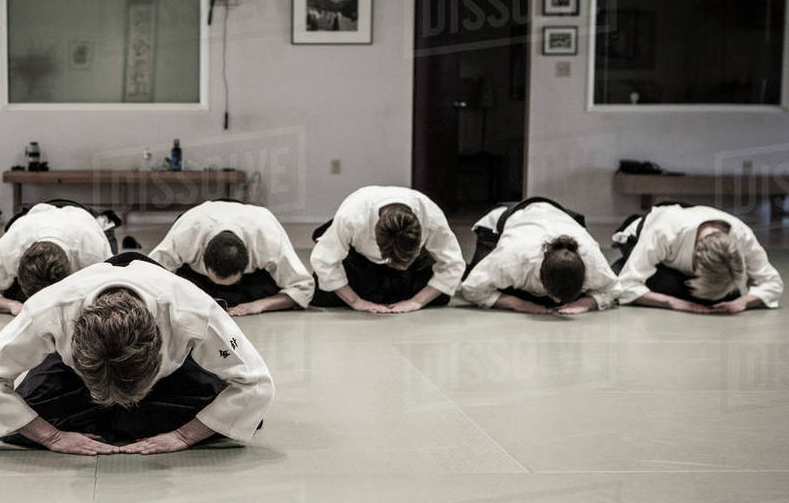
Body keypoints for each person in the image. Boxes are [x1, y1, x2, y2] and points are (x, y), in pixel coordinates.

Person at [0, 253, 274, 456]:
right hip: (76, 367)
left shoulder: (194, 313)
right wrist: (51, 437)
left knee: (247, 416)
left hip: (172, 359)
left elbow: (257, 384)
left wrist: (184, 436)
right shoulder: (47, 311)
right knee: (23, 419)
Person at [310, 185, 465, 313]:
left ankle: (384, 292)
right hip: (360, 260)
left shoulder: (430, 215)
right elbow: (324, 260)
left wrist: (417, 302)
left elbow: (453, 263)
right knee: (322, 295)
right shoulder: (352, 216)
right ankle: (380, 293)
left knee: (440, 297)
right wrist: (356, 302)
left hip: (410, 265)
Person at [148, 200, 314, 316]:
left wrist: (260, 305)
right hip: (200, 232)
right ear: (203, 256)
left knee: (247, 294)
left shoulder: (267, 238)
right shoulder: (187, 234)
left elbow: (302, 287)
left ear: (247, 263)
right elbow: (147, 275)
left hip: (249, 280)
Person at [612, 202, 781, 313]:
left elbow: (773, 283)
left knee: (730, 297)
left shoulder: (742, 235)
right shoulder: (664, 231)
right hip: (639, 236)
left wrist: (744, 302)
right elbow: (626, 285)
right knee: (671, 287)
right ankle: (622, 265)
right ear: (696, 264)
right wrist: (673, 303)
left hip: (688, 224)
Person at [460, 197, 619, 314]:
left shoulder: (591, 258)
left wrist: (587, 302)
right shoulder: (511, 258)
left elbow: (614, 289)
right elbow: (471, 288)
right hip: (501, 224)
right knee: (483, 277)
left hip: (560, 216)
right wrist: (517, 303)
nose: (557, 302)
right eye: (554, 295)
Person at [0, 200, 114, 315]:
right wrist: (12, 306)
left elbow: (115, 291)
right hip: (31, 215)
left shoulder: (92, 250)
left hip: (86, 216)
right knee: (15, 295)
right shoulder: (9, 248)